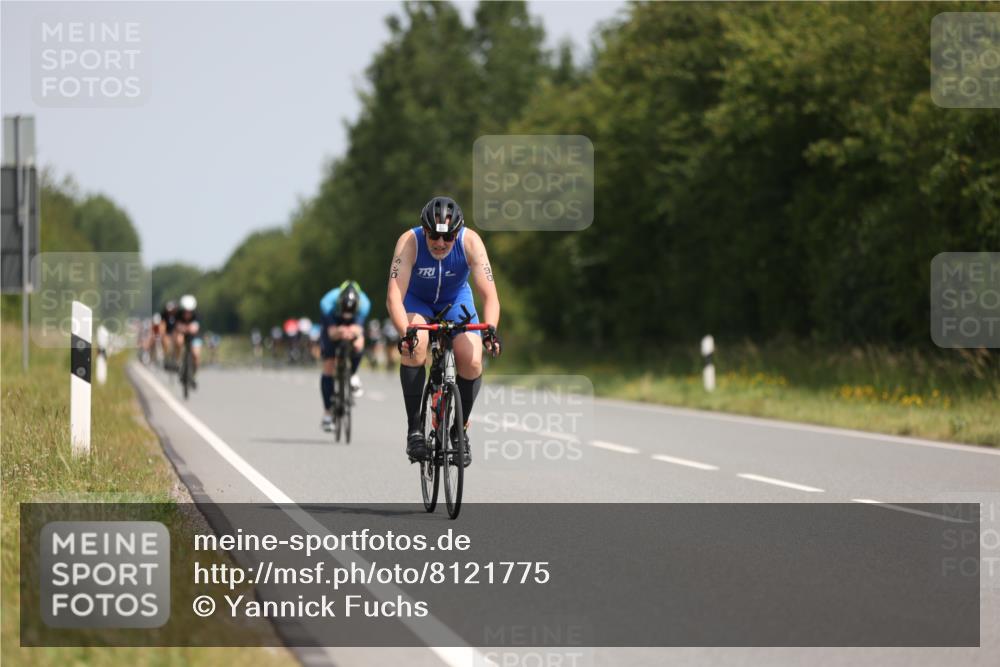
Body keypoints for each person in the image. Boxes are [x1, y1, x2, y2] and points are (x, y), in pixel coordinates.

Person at [386, 196, 501, 466]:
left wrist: (491, 330)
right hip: (416, 302)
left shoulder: (471, 242)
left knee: (471, 359)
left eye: (448, 237)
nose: (440, 244)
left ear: (457, 233)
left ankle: (458, 430)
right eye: (434, 237)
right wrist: (405, 333)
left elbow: (491, 296)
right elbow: (393, 296)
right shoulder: (409, 242)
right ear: (424, 231)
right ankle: (415, 430)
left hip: (456, 301)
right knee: (416, 345)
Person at [319, 280, 371, 431]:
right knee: (329, 364)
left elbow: (358, 329)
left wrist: (353, 332)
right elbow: (332, 333)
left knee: (358, 343)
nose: (347, 315)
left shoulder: (365, 304)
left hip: (354, 322)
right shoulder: (327, 303)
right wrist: (339, 331)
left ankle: (353, 374)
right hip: (333, 320)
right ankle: (328, 413)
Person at [173, 294, 202, 385]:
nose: (187, 313)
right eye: (185, 311)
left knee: (196, 355)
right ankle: (179, 361)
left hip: (194, 337)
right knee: (179, 340)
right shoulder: (178, 315)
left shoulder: (197, 315)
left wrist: (186, 328)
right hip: (183, 334)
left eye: (189, 311)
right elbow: (177, 327)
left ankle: (193, 374)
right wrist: (184, 328)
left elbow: (195, 329)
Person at [159, 300, 179, 369]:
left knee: (179, 342)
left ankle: (177, 360)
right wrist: (162, 334)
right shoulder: (164, 315)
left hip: (175, 332)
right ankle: (166, 358)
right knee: (166, 344)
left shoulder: (178, 315)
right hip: (167, 333)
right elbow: (162, 325)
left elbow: (178, 325)